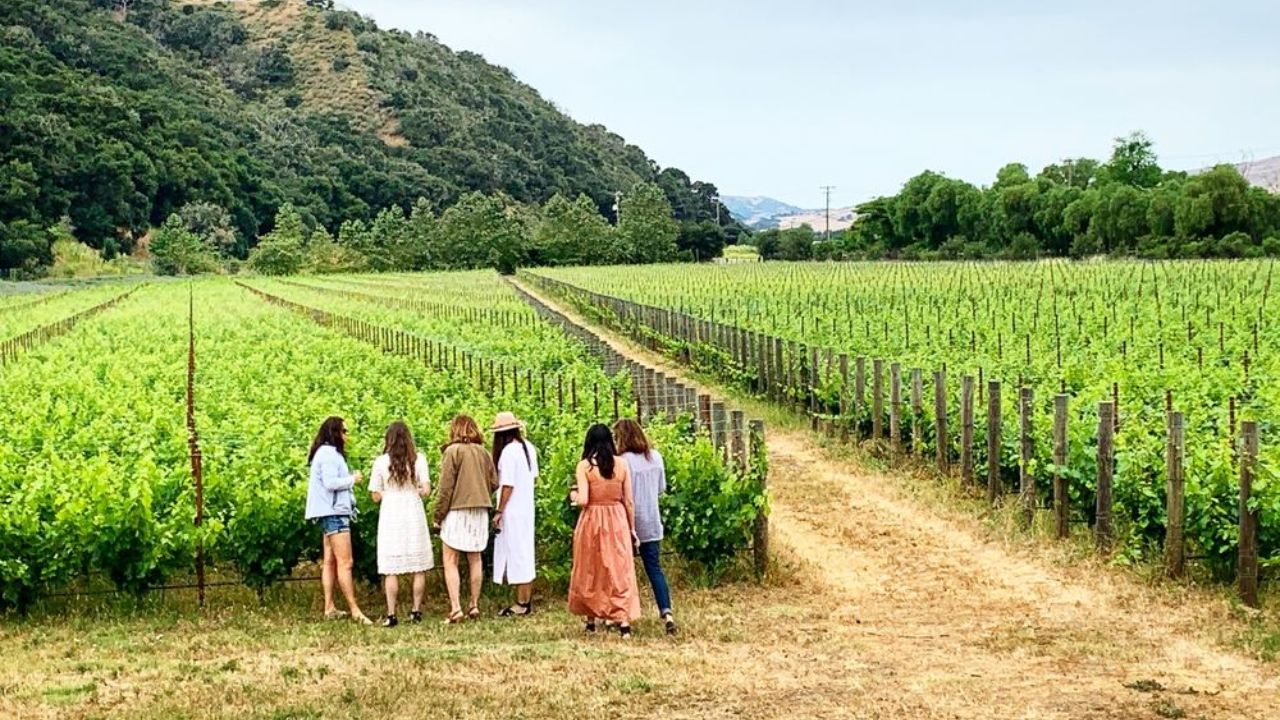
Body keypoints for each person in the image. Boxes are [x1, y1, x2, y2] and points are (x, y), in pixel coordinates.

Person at [567, 424, 641, 638]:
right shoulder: (622, 464)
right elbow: (628, 500)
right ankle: (623, 620)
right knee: (619, 569)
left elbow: (583, 500)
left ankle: (591, 619)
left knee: (590, 568)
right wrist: (632, 528)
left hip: (592, 519)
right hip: (617, 518)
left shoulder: (585, 466)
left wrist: (573, 495)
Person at [305, 416, 372, 625]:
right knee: (345, 562)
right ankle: (355, 609)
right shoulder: (329, 454)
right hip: (335, 513)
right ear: (335, 433)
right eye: (344, 431)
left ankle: (329, 607)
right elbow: (330, 482)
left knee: (330, 561)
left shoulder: (323, 453)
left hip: (329, 512)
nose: (346, 435)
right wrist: (353, 479)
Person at [614, 418, 677, 635]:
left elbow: (621, 493)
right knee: (655, 568)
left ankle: (623, 616)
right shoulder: (655, 457)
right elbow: (661, 488)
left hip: (628, 522)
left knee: (623, 571)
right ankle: (666, 612)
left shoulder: (622, 461)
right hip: (652, 520)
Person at [434, 414, 498, 623]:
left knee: (450, 559)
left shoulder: (452, 451)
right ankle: (474, 604)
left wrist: (438, 515)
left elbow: (445, 487)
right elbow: (494, 482)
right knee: (475, 558)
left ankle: (456, 608)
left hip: (456, 510)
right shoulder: (483, 452)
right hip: (480, 510)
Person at [368, 421, 433, 628]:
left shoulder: (381, 462)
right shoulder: (418, 459)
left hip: (391, 513)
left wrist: (388, 494)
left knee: (391, 568)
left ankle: (391, 613)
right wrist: (416, 490)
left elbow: (375, 495)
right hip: (413, 510)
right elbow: (426, 490)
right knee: (418, 566)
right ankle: (416, 610)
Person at [490, 411, 539, 617]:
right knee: (525, 553)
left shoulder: (509, 452)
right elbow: (533, 478)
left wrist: (499, 510)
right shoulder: (528, 447)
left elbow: (507, 485)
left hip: (513, 511)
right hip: (526, 508)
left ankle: (521, 602)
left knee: (517, 554)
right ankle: (525, 599)